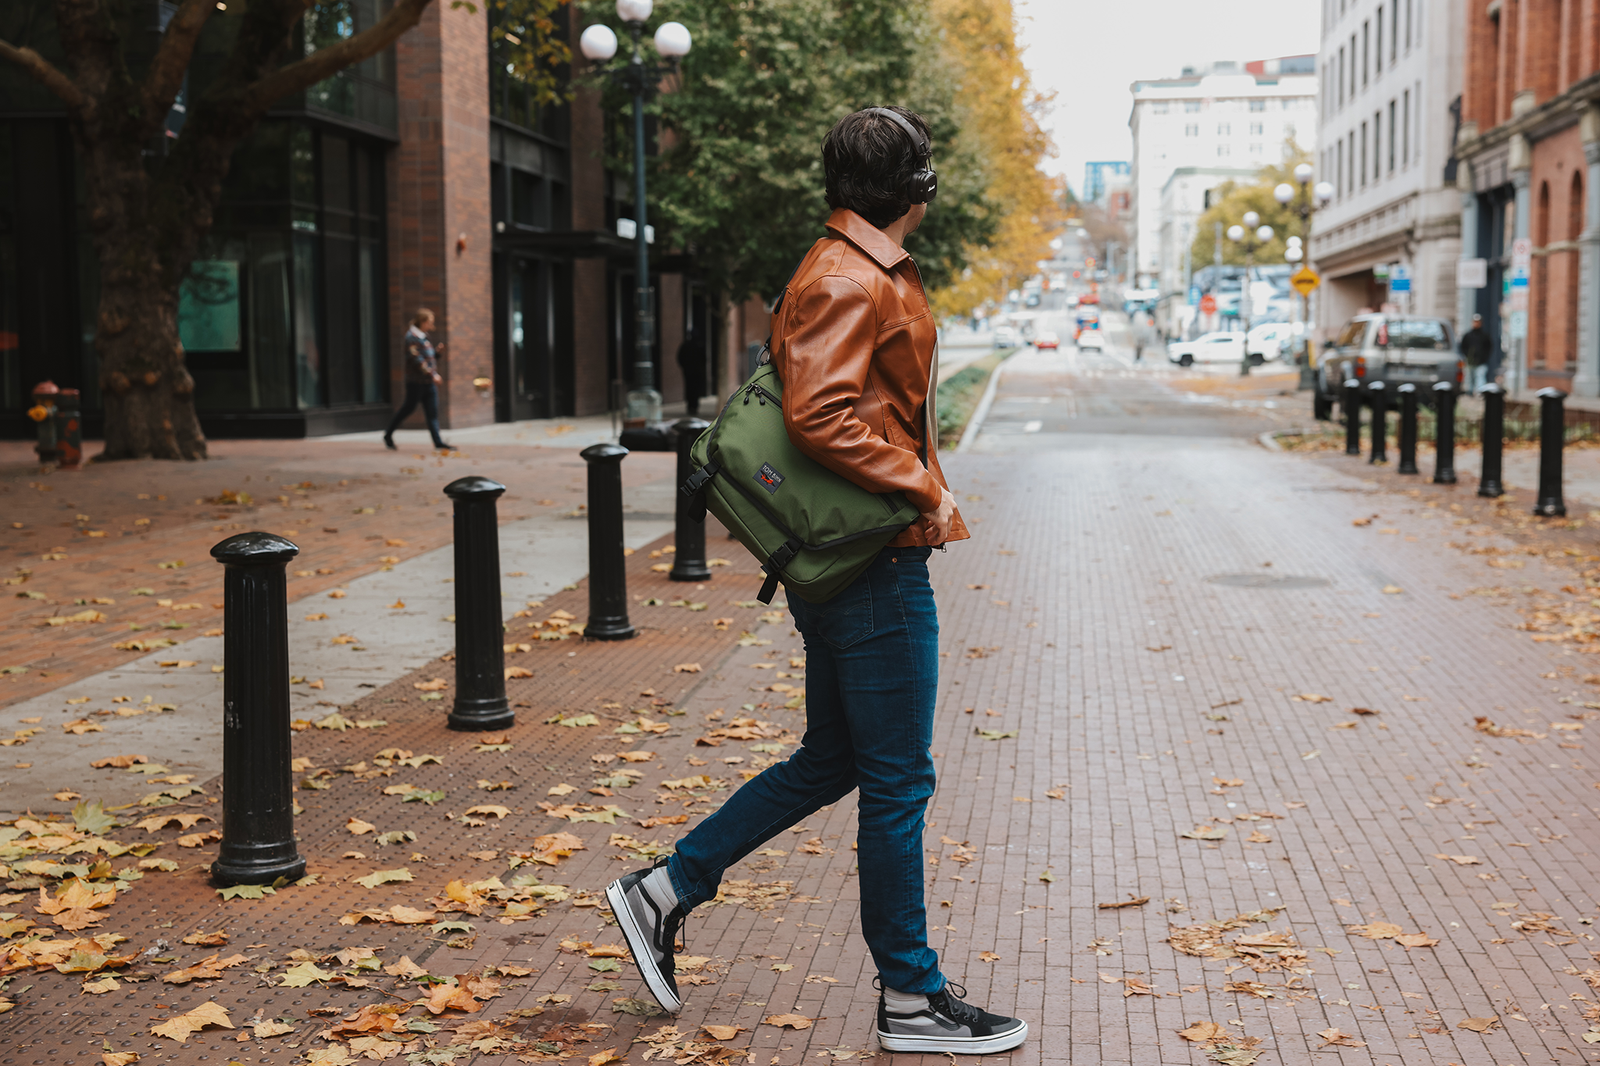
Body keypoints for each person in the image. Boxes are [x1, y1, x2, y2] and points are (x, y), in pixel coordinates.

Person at [603, 106, 1028, 1056]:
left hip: (858, 555)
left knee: (835, 761)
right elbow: (821, 415)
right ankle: (912, 1000)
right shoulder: (848, 275)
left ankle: (663, 890)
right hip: (869, 560)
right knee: (896, 781)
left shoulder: (848, 265)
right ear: (917, 186)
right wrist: (924, 484)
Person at [384, 309, 451, 451]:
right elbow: (417, 360)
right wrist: (433, 375)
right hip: (416, 383)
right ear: (423, 322)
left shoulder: (424, 336)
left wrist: (437, 354)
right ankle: (388, 434)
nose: (431, 325)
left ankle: (438, 442)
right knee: (407, 409)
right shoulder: (411, 337)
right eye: (430, 322)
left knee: (432, 412)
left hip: (428, 383)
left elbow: (428, 357)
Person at [676, 326, 707, 418]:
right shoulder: (698, 345)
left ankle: (691, 406)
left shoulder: (687, 345)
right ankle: (693, 406)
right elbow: (704, 359)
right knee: (694, 389)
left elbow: (680, 358)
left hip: (690, 371)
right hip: (694, 371)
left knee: (690, 389)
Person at [1461, 313, 1491, 392]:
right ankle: (1469, 391)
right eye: (1475, 322)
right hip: (1470, 361)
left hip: (1481, 362)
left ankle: (1480, 392)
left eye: (1478, 322)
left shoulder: (1484, 336)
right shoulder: (1468, 335)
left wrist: (1484, 358)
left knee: (1480, 377)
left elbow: (1489, 348)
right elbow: (1463, 347)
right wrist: (1468, 356)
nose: (1476, 324)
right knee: (1469, 377)